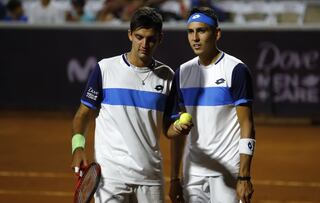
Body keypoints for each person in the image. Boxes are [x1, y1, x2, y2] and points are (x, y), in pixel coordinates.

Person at [70, 7, 189, 203]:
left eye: (151, 38)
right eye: (139, 37)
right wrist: (77, 147)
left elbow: (169, 129)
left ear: (160, 38)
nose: (144, 44)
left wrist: (179, 128)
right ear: (130, 35)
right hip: (110, 176)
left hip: (150, 177)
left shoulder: (168, 77)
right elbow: (83, 114)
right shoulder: (105, 69)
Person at [168, 6, 256, 203]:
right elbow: (178, 134)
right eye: (190, 32)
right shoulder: (182, 73)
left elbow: (247, 126)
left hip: (228, 171)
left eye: (201, 30)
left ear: (217, 33)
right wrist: (175, 177)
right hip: (193, 173)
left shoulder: (236, 70)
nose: (195, 38)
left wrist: (244, 176)